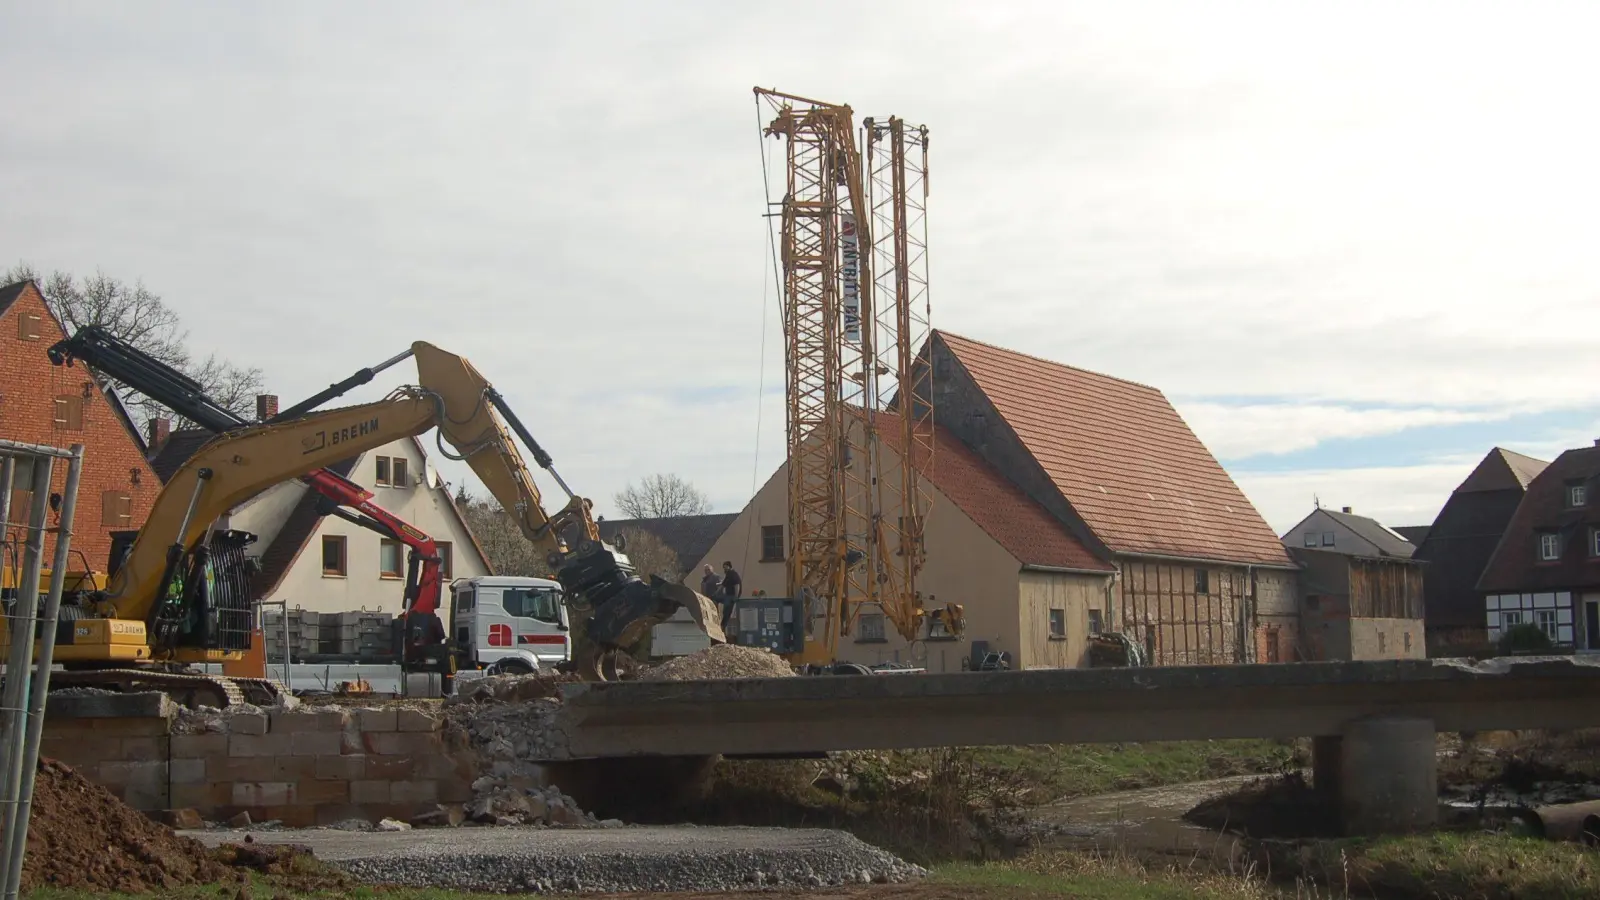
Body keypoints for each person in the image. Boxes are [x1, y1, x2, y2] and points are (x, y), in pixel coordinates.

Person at [719, 560, 743, 629]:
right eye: (723, 567)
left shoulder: (732, 574)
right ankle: (723, 625)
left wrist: (736, 596)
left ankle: (723, 626)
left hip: (731, 596)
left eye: (725, 567)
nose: (724, 569)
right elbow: (723, 585)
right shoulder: (728, 575)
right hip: (728, 595)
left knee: (727, 611)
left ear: (729, 567)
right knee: (725, 611)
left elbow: (737, 585)